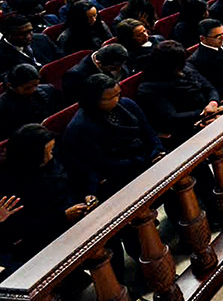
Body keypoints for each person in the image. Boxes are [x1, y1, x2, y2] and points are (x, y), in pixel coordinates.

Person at [0, 124, 95, 264]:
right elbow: (23, 228)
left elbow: (78, 177)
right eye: (47, 153)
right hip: (46, 236)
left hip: (75, 214)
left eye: (51, 150)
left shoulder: (53, 161)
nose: (51, 156)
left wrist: (87, 195)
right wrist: (63, 218)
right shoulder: (10, 184)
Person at [60, 74, 164, 198]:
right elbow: (101, 163)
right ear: (93, 99)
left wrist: (157, 149)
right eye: (108, 99)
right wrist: (144, 161)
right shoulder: (80, 127)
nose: (116, 100)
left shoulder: (127, 104)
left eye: (117, 95)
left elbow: (148, 131)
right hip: (119, 171)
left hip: (144, 156)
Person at [136, 41, 223, 148]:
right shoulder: (149, 88)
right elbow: (171, 117)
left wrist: (213, 102)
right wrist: (204, 114)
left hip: (209, 113)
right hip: (185, 128)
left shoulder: (186, 67)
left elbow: (209, 88)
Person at [0, 65, 63, 140]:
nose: (33, 90)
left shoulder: (49, 90)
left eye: (36, 85)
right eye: (27, 88)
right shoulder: (3, 108)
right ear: (10, 86)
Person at [61, 43, 131, 102]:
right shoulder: (75, 76)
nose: (117, 70)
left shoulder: (109, 58)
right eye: (112, 68)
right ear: (99, 63)